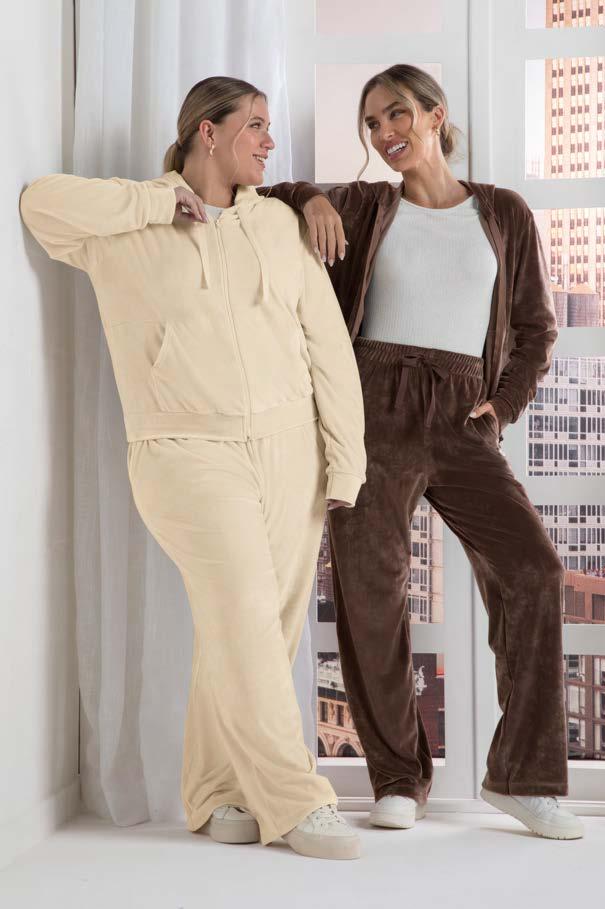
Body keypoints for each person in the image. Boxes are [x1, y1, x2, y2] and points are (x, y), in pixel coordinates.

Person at [19, 76, 366, 861]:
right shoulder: (128, 226)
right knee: (242, 616)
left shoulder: (278, 224)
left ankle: (214, 792)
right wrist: (154, 203)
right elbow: (40, 204)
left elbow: (326, 346)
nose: (270, 141)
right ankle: (298, 800)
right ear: (206, 132)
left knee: (253, 633)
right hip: (184, 449)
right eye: (255, 125)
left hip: (288, 451)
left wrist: (344, 463)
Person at [261, 63, 584, 840]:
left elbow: (535, 329)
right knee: (371, 592)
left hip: (462, 414)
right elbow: (265, 197)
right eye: (372, 123)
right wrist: (308, 197)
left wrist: (501, 406)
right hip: (371, 408)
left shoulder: (501, 212)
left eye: (397, 113)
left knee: (533, 570)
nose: (384, 133)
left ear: (435, 115)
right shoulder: (364, 205)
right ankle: (397, 777)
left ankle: (523, 777)